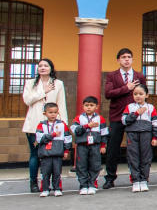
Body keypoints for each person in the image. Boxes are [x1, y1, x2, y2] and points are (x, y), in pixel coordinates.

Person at [103, 49, 146, 190]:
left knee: (136, 148)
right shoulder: (112, 76)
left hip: (137, 116)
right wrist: (126, 88)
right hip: (117, 116)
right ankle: (110, 178)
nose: (126, 59)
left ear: (132, 60)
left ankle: (138, 177)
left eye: (129, 57)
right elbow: (108, 94)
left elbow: (144, 94)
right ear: (118, 60)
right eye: (123, 57)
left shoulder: (140, 76)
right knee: (113, 148)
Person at [22, 58, 67, 193]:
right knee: (35, 154)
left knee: (53, 154)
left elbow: (61, 104)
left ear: (51, 68)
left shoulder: (58, 83)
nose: (42, 68)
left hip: (54, 125)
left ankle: (52, 184)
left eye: (45, 66)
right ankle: (33, 182)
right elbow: (27, 100)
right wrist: (43, 91)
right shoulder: (31, 83)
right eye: (40, 66)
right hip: (35, 125)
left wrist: (64, 124)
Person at [121, 84, 157, 193]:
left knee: (146, 157)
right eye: (135, 94)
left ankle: (144, 180)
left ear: (146, 95)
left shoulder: (150, 107)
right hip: (132, 134)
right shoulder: (129, 107)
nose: (138, 96)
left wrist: (155, 136)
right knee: (133, 157)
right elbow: (124, 120)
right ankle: (135, 181)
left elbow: (156, 122)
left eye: (141, 94)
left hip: (146, 134)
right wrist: (136, 114)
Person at [71, 96, 108, 194]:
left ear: (96, 106)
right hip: (82, 145)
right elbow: (75, 130)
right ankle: (83, 186)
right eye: (86, 105)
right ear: (83, 106)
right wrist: (87, 126)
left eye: (91, 105)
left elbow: (104, 133)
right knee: (81, 165)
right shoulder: (79, 118)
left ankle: (92, 184)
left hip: (95, 145)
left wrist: (103, 145)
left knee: (95, 165)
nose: (89, 107)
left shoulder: (100, 118)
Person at [36, 103, 71, 197]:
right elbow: (39, 139)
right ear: (45, 114)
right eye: (50, 112)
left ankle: (57, 189)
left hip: (58, 152)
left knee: (57, 172)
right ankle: (45, 189)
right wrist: (52, 135)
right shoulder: (41, 125)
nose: (53, 114)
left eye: (55, 112)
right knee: (45, 172)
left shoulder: (62, 124)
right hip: (45, 154)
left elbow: (67, 138)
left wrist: (66, 150)